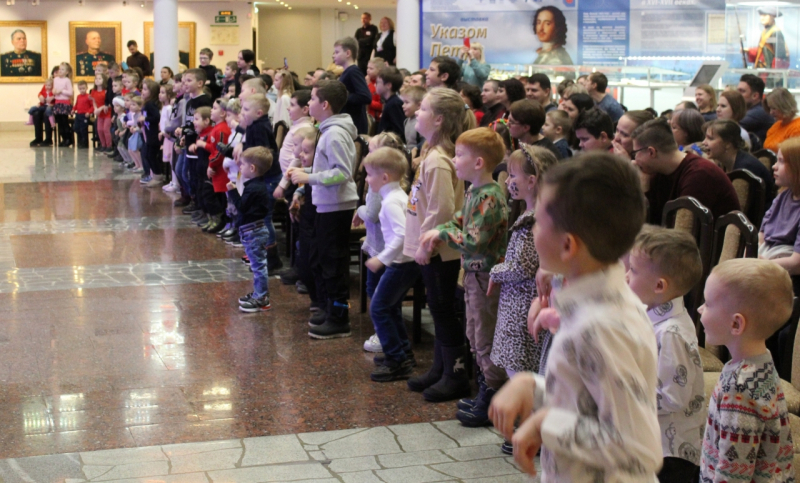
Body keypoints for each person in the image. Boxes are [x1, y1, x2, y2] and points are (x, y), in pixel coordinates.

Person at [489, 153, 662, 480]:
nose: (533, 229)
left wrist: (546, 423)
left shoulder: (600, 326)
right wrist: (532, 386)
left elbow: (637, 447)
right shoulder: (595, 306)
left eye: (539, 222)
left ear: (568, 246)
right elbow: (586, 400)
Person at [419, 127, 508, 425]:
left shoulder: (490, 197)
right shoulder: (474, 191)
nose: (454, 160)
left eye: (459, 155)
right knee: (473, 334)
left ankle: (493, 399)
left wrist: (441, 234)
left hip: (485, 278)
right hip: (472, 275)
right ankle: (485, 390)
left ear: (478, 163)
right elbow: (459, 220)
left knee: (485, 338)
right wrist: (442, 229)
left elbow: (474, 241)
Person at [485, 145, 557, 448]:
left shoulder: (533, 221)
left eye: (513, 175)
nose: (508, 181)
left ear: (533, 180)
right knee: (518, 367)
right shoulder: (531, 216)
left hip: (522, 302)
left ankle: (533, 430)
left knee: (520, 368)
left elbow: (523, 267)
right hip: (516, 301)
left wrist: (494, 271)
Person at [698, 259, 794, 481]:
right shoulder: (761, 361)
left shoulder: (739, 389)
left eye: (708, 303)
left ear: (736, 324)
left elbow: (733, 471)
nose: (700, 309)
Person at [626, 227, 705, 482]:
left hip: (670, 451)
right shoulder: (652, 313)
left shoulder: (671, 333)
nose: (626, 276)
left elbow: (673, 398)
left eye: (633, 270)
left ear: (659, 285)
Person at [404, 88, 468, 402]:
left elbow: (442, 210)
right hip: (432, 247)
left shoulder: (440, 161)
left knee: (442, 311)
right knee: (437, 307)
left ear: (439, 119)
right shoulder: (433, 154)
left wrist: (426, 245)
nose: (417, 112)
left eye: (424, 109)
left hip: (440, 250)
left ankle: (456, 375)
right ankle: (439, 368)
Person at [288, 80, 359, 339]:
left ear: (325, 104)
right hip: (327, 203)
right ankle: (331, 310)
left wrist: (309, 178)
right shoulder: (327, 130)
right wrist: (306, 171)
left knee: (334, 264)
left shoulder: (335, 133)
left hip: (336, 206)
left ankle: (340, 318)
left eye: (313, 99)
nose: (308, 103)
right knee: (324, 260)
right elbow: (327, 168)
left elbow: (342, 172)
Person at [358, 145, 417, 379]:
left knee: (379, 307)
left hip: (401, 263)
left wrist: (381, 259)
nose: (366, 179)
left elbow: (402, 235)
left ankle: (397, 360)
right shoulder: (398, 196)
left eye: (369, 174)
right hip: (404, 262)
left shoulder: (391, 202)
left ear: (384, 177)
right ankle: (402, 351)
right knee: (389, 307)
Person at [631, 117, 740, 224]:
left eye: (635, 153)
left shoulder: (699, 174)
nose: (634, 160)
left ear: (651, 152)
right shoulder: (657, 172)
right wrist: (644, 187)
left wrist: (643, 188)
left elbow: (683, 227)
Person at [231, 147, 275, 312]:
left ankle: (262, 298)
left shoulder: (254, 188)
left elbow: (242, 207)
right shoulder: (256, 185)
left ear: (252, 168)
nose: (240, 167)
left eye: (242, 164)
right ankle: (258, 292)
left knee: (258, 266)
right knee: (257, 265)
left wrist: (232, 191)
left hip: (254, 231)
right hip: (252, 230)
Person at [703, 119, 775, 208]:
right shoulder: (724, 162)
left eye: (710, 138)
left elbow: (737, 208)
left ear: (728, 144)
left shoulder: (746, 168)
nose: (704, 142)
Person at [759, 137, 800, 271]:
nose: (774, 166)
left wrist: (761, 264)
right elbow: (762, 234)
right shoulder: (783, 195)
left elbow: (797, 263)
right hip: (768, 256)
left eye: (781, 161)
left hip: (785, 272)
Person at [195, 101, 231, 233]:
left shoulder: (222, 129)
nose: (211, 110)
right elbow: (213, 147)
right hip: (214, 169)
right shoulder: (217, 128)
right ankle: (213, 218)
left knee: (214, 196)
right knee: (208, 194)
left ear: (222, 113)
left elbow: (219, 152)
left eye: (214, 108)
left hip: (219, 170)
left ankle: (220, 220)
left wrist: (211, 164)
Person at [275, 90, 314, 201]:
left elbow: (297, 159)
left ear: (305, 110)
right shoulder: (298, 126)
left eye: (292, 105)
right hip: (288, 176)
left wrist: (282, 185)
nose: (288, 108)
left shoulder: (305, 129)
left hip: (293, 180)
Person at [332, 37, 372, 135]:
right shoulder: (347, 72)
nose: (333, 55)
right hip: (349, 123)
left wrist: (342, 96)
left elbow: (365, 96)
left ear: (348, 53)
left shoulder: (353, 71)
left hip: (354, 124)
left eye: (337, 52)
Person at [738, 74, 774, 141]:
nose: (737, 95)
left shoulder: (759, 112)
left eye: (742, 91)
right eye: (737, 91)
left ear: (755, 96)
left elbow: (730, 127)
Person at [764, 87, 800, 154]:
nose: (771, 112)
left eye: (774, 108)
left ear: (784, 106)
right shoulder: (777, 125)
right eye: (770, 108)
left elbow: (793, 156)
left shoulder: (797, 128)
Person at [376, 67, 405, 141]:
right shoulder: (389, 102)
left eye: (378, 82)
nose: (376, 85)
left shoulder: (394, 104)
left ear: (388, 85)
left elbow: (399, 131)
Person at [53, 62, 74, 147]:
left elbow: (70, 92)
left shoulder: (67, 80)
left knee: (64, 121)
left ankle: (68, 138)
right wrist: (54, 92)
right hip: (57, 102)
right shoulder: (55, 79)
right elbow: (54, 89)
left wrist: (61, 91)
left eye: (62, 69)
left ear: (67, 72)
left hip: (64, 103)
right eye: (59, 69)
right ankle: (63, 138)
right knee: (59, 122)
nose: (60, 71)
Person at [91, 73, 112, 152]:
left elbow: (110, 103)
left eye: (99, 78)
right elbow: (94, 101)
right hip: (100, 113)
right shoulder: (93, 91)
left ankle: (109, 146)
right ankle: (103, 145)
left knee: (106, 129)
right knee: (99, 129)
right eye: (96, 78)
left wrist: (100, 108)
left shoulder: (106, 91)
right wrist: (95, 109)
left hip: (107, 112)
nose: (97, 80)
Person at [72, 80, 93, 149]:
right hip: (78, 115)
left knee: (83, 129)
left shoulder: (89, 96)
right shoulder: (78, 96)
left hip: (85, 115)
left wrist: (89, 112)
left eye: (83, 88)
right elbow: (76, 104)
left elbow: (92, 106)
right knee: (76, 128)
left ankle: (84, 143)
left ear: (86, 88)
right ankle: (80, 141)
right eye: (80, 89)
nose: (82, 90)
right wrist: (73, 109)